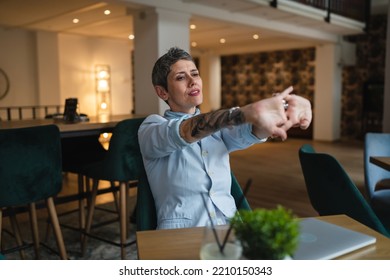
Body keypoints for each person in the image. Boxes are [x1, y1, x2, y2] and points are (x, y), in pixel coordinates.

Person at [138, 47, 312, 229]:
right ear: (162, 92)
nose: (192, 81)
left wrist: (285, 108)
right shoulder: (151, 128)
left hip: (231, 229)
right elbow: (184, 131)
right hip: (183, 235)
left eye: (195, 74)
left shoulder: (218, 130)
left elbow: (251, 130)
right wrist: (245, 113)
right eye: (181, 77)